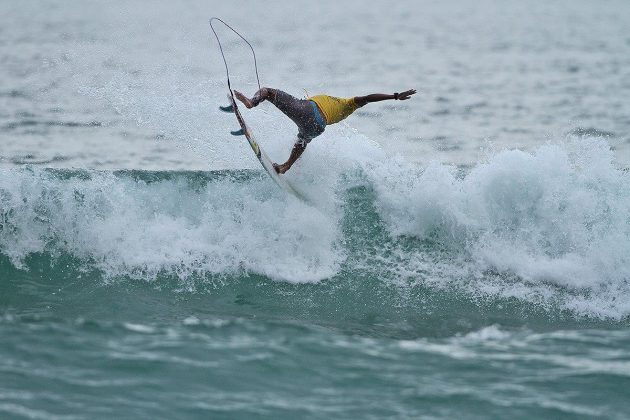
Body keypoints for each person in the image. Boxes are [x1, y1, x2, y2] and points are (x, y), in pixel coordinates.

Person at [234, 87, 416, 174]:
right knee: (302, 140)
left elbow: (368, 97)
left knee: (267, 91)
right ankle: (286, 166)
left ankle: (252, 102)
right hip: (318, 126)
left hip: (309, 110)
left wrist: (395, 96)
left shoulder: (350, 102)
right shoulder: (343, 107)